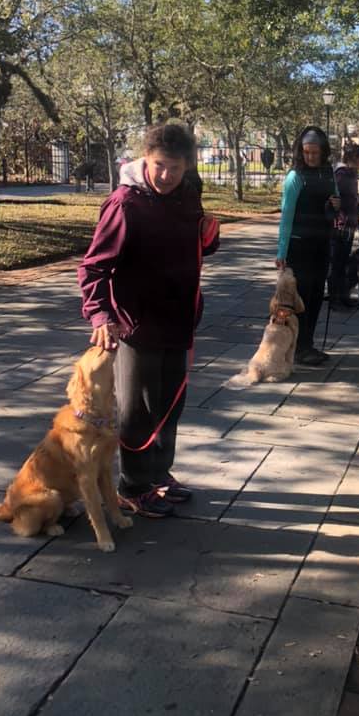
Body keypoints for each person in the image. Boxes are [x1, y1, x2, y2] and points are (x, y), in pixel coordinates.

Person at [78, 123, 220, 518]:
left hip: (179, 320)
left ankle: (159, 472)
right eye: (159, 166)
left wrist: (209, 238)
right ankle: (133, 484)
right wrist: (100, 315)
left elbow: (193, 246)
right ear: (145, 159)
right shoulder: (125, 204)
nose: (166, 176)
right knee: (138, 408)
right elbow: (93, 268)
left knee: (170, 404)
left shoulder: (188, 196)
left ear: (186, 166)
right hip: (136, 325)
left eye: (174, 168)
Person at [276, 126, 340, 366]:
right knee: (299, 299)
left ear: (323, 152)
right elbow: (286, 216)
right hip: (299, 246)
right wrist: (281, 252)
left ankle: (308, 344)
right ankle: (296, 347)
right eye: (306, 152)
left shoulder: (328, 173)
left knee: (315, 297)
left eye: (314, 152)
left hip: (322, 244)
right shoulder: (296, 177)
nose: (310, 157)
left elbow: (334, 202)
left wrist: (336, 203)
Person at [329, 144, 359, 310]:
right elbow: (334, 199)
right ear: (354, 158)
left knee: (344, 262)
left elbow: (349, 199)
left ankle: (343, 295)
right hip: (340, 227)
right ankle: (334, 299)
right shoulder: (341, 175)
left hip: (349, 226)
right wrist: (341, 213)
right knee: (337, 263)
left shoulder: (351, 175)